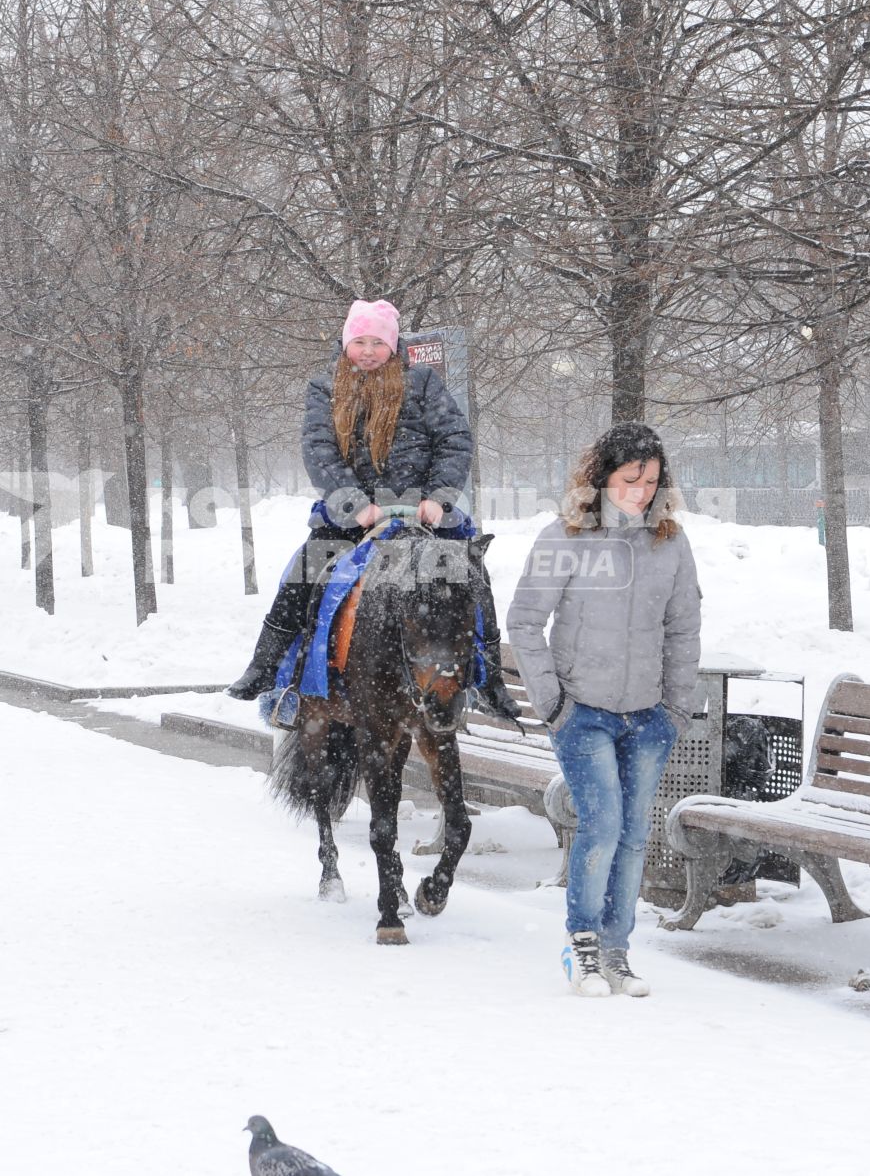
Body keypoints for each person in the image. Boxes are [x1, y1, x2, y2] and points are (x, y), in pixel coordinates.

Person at [225, 299, 522, 721]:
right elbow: (319, 449)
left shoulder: (422, 382)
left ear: (394, 345)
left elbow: (455, 440)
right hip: (355, 514)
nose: (368, 351)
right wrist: (355, 505)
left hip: (422, 511)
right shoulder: (325, 387)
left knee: (473, 574)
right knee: (306, 570)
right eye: (359, 341)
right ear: (346, 344)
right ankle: (266, 664)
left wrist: (437, 499)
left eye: (378, 342)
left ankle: (489, 677)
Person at [505, 422, 702, 998]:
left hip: (648, 717)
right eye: (628, 479)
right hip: (582, 711)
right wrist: (554, 705)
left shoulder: (671, 542)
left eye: (651, 480)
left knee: (636, 835)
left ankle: (618, 952)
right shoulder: (563, 537)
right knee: (603, 827)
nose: (640, 491)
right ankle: (583, 947)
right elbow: (523, 622)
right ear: (602, 478)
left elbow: (683, 628)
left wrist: (676, 708)